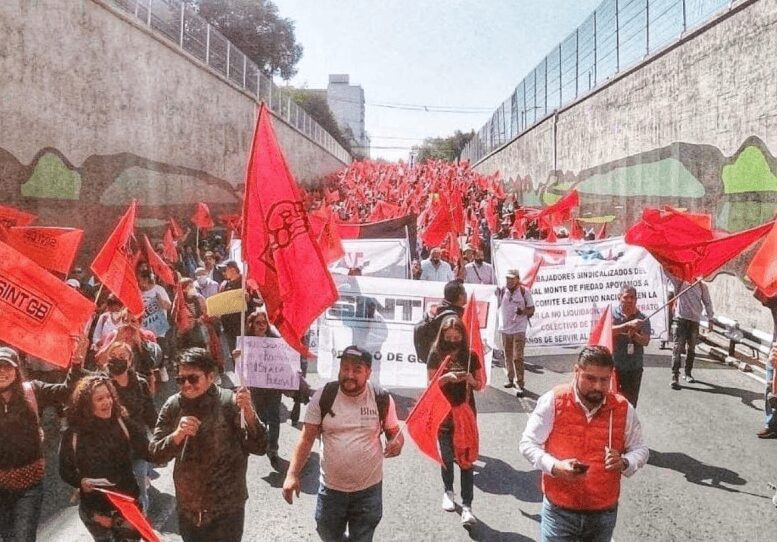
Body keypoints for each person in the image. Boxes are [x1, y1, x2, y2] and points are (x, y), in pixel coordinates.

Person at [519, 346, 649, 542]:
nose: (597, 386)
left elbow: (640, 449)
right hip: (559, 512)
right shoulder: (553, 401)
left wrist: (624, 462)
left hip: (602, 514)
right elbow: (528, 444)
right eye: (590, 378)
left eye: (604, 380)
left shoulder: (623, 408)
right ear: (576, 371)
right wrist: (555, 466)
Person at [282, 346, 404, 542]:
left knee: (362, 538)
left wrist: (396, 442)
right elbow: (306, 438)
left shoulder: (381, 398)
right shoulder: (323, 396)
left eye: (357, 370)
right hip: (331, 490)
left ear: (368, 373)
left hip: (368, 491)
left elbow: (394, 433)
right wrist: (292, 474)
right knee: (328, 534)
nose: (349, 374)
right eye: (345, 368)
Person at [149, 348, 266, 542]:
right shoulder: (173, 406)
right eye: (180, 379)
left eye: (193, 379)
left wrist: (250, 414)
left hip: (227, 511)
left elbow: (260, 447)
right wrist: (177, 435)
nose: (186, 385)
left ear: (210, 377)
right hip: (189, 510)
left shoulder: (230, 403)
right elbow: (155, 455)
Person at [0, 344, 84, 542]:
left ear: (17, 370)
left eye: (7, 367)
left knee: (24, 537)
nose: (2, 372)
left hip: (29, 484)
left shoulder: (33, 391)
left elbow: (67, 390)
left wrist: (77, 363)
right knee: (8, 537)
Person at [60, 375, 151, 542]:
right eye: (100, 399)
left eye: (109, 396)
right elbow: (65, 470)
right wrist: (80, 482)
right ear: (86, 405)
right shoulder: (73, 435)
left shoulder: (122, 423)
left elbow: (150, 451)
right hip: (96, 513)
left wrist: (176, 438)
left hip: (126, 507)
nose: (107, 402)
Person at [426, 317, 484, 526]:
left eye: (456, 337)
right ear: (442, 336)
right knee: (447, 456)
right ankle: (448, 491)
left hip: (465, 414)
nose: (452, 340)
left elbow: (479, 385)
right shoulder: (435, 354)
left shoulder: (471, 355)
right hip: (443, 414)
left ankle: (467, 506)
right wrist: (446, 378)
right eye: (448, 337)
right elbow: (430, 385)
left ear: (462, 336)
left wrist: (470, 380)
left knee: (466, 460)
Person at [91, 342, 158, 511]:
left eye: (123, 357)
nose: (118, 360)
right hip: (112, 447)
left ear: (130, 361)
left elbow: (150, 413)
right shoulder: (100, 384)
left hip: (137, 444)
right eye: (114, 356)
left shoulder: (140, 383)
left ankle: (141, 523)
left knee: (139, 490)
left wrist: (161, 437)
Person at [235, 310, 284, 470]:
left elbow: (285, 361)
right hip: (256, 385)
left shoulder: (275, 341)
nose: (262, 326)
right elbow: (241, 364)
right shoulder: (246, 342)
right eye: (258, 323)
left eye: (264, 323)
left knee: (274, 417)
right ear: (251, 325)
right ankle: (262, 442)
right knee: (261, 415)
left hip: (274, 384)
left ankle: (273, 448)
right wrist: (236, 356)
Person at [669, 277, 714, 389]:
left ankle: (688, 373)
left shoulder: (702, 286)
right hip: (680, 319)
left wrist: (710, 318)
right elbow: (668, 272)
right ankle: (675, 376)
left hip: (694, 321)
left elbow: (707, 302)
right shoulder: (680, 281)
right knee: (677, 348)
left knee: (691, 349)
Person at [611, 285, 651, 407]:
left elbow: (645, 342)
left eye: (632, 297)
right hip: (614, 366)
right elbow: (606, 332)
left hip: (634, 368)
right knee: (612, 401)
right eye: (626, 297)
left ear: (636, 299)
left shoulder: (643, 319)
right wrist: (626, 326)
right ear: (619, 298)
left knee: (630, 404)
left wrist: (634, 335)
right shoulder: (612, 314)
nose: (629, 300)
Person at [497, 269, 535, 397]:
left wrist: (522, 311)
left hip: (519, 328)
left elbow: (532, 309)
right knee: (507, 355)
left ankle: (520, 383)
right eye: (507, 278)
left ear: (517, 279)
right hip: (505, 328)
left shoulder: (524, 292)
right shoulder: (502, 291)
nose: (509, 281)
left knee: (517, 357)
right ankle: (510, 378)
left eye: (512, 279)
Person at [414, 280, 467, 364]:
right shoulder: (452, 318)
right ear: (460, 296)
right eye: (465, 293)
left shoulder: (440, 310)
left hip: (436, 362)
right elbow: (453, 345)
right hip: (445, 364)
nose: (466, 295)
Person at [755, 289, 777, 439]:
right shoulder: (775, 300)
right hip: (775, 351)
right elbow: (760, 294)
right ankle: (770, 424)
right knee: (770, 387)